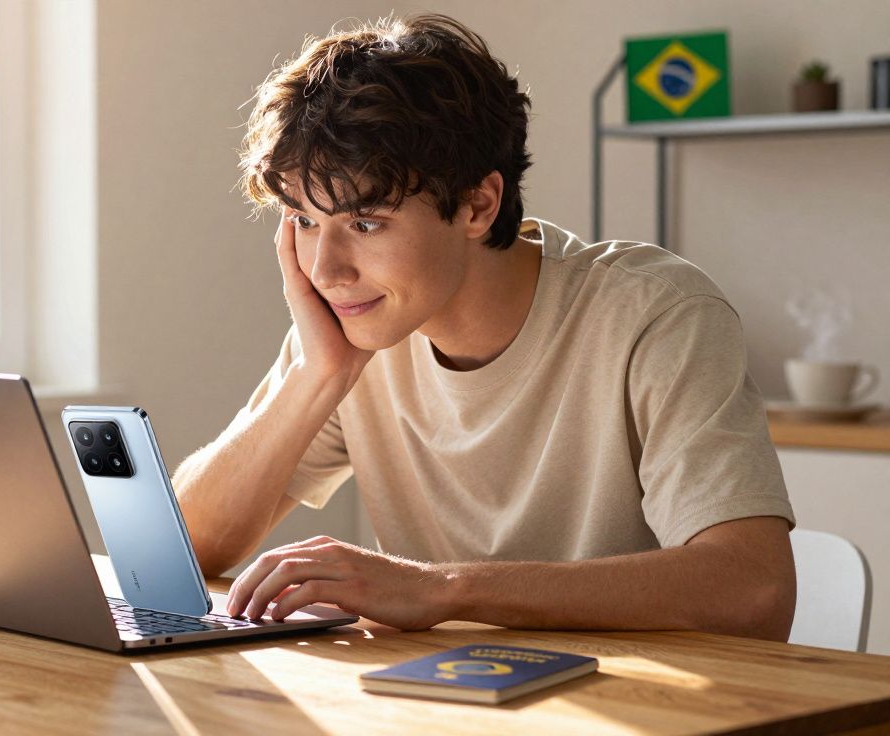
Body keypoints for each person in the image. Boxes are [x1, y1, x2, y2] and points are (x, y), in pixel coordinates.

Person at [171, 13, 797, 640]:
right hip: (443, 704)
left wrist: (443, 589)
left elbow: (753, 589)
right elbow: (187, 549)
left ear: (477, 205)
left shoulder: (655, 314)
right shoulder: (354, 331)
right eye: (304, 222)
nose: (326, 270)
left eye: (365, 223)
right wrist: (316, 376)